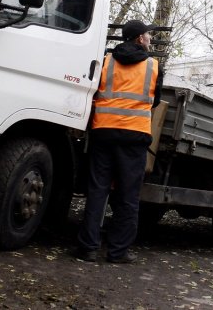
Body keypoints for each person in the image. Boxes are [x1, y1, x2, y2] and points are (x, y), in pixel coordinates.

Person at [75, 19, 162, 263]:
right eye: (147, 35)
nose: (149, 39)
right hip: (134, 137)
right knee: (127, 196)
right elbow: (155, 102)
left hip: (103, 133)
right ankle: (117, 252)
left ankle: (88, 248)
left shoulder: (105, 61)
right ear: (138, 39)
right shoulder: (153, 66)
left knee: (97, 191)